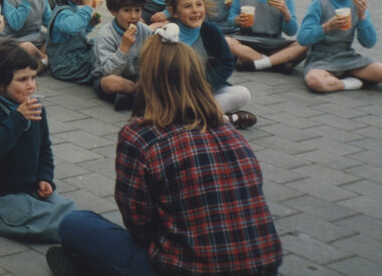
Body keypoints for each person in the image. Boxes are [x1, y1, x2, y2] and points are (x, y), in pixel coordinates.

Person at [48, 33, 282, 276]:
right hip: (263, 267)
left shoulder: (139, 136)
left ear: (146, 80)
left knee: (74, 224)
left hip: (186, 269)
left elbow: (139, 226)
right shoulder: (230, 132)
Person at [0, 40, 75, 242]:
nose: (31, 85)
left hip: (29, 186)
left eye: (33, 78)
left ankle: (44, 218)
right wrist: (18, 118)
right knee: (40, 226)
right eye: (22, 80)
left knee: (70, 211)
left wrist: (45, 178)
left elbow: (44, 147)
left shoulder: (36, 107)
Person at [166, 0, 256, 129]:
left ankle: (198, 117)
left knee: (242, 94)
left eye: (199, 4)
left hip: (205, 90)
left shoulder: (210, 30)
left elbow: (226, 63)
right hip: (176, 95)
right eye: (188, 6)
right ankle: (223, 119)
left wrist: (207, 83)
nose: (195, 10)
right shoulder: (166, 35)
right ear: (173, 12)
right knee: (175, 107)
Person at [91, 0, 151, 112]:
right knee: (112, 83)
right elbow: (108, 71)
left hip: (136, 76)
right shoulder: (106, 35)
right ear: (114, 11)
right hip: (111, 76)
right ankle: (139, 95)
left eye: (137, 10)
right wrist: (123, 48)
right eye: (127, 10)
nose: (133, 16)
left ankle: (131, 97)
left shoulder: (145, 31)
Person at [45, 0, 100, 85]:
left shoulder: (72, 9)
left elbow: (75, 35)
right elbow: (70, 27)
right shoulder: (62, 13)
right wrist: (87, 8)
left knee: (100, 42)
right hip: (65, 66)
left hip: (76, 59)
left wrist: (89, 25)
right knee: (100, 52)